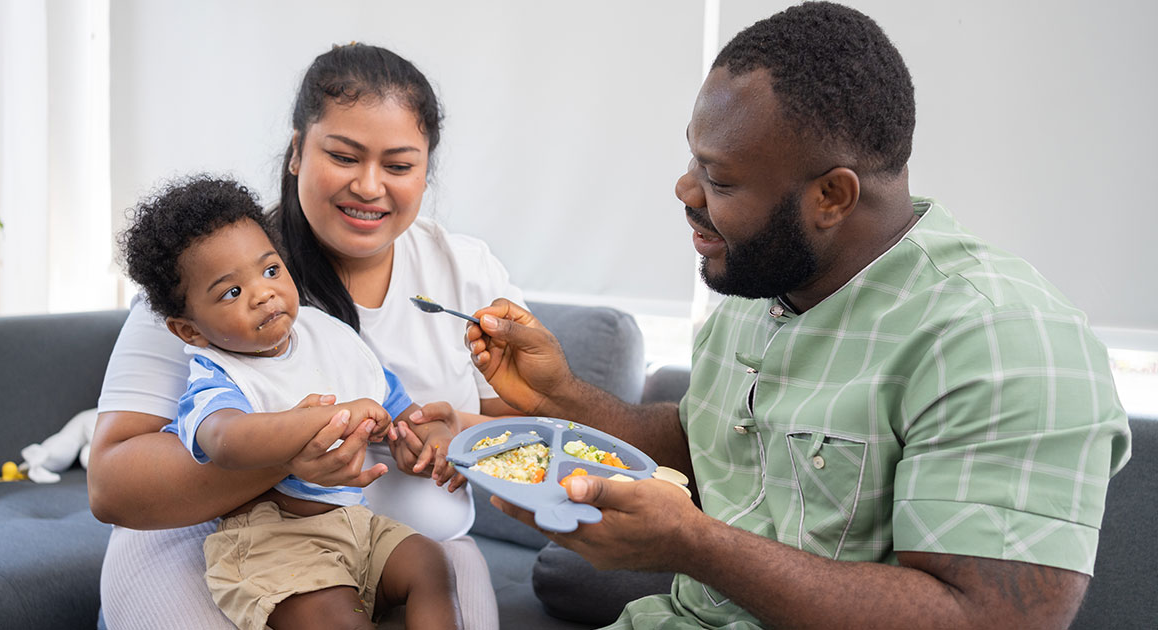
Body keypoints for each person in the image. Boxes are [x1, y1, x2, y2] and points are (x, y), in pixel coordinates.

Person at [465, 3, 1133, 629]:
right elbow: (716, 451)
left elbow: (989, 617)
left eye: (720, 179)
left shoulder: (1000, 341)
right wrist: (564, 397)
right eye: (693, 157)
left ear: (832, 196)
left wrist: (698, 545)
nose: (684, 190)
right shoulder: (767, 279)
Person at [89, 42, 521, 630]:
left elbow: (531, 435)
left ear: (426, 171)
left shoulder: (467, 272)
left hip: (411, 544)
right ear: (297, 151)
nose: (370, 187)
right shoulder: (209, 273)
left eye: (398, 166)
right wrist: (291, 452)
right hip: (217, 541)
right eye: (344, 156)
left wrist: (457, 435)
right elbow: (112, 486)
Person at [117, 175, 462, 629]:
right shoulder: (219, 375)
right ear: (190, 330)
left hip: (356, 525)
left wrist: (426, 433)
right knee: (339, 617)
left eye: (270, 270)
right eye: (232, 292)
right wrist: (315, 424)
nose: (263, 293)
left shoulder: (327, 335)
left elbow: (390, 399)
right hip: (274, 543)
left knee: (429, 564)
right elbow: (224, 441)